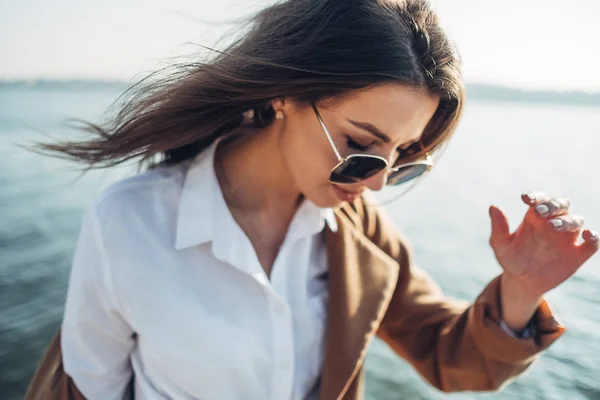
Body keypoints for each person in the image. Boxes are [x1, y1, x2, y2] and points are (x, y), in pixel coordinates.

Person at [24, 0, 599, 399]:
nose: (375, 183)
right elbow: (88, 388)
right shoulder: (131, 221)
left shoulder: (358, 234)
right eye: (361, 146)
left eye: (402, 158)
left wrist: (521, 290)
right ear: (283, 95)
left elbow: (449, 356)